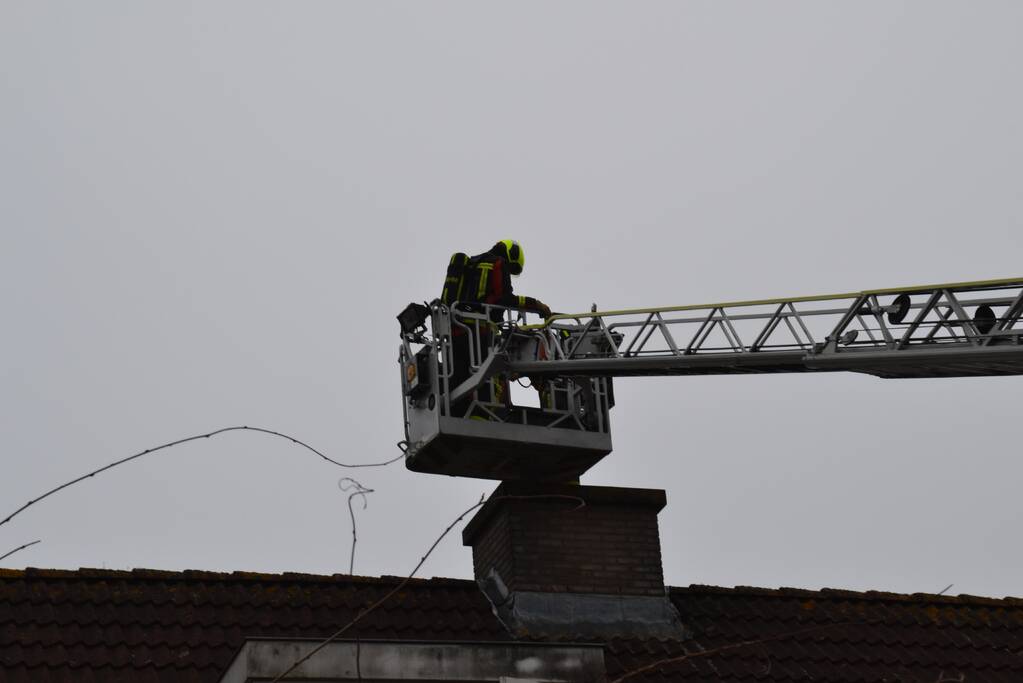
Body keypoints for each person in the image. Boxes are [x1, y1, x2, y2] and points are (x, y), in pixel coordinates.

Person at [442, 240, 551, 415]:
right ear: (510, 255)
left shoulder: (471, 263)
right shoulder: (498, 263)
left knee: (460, 381)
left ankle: (459, 414)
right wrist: (535, 304)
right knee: (485, 384)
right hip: (480, 333)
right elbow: (504, 299)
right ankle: (481, 417)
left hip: (455, 331)